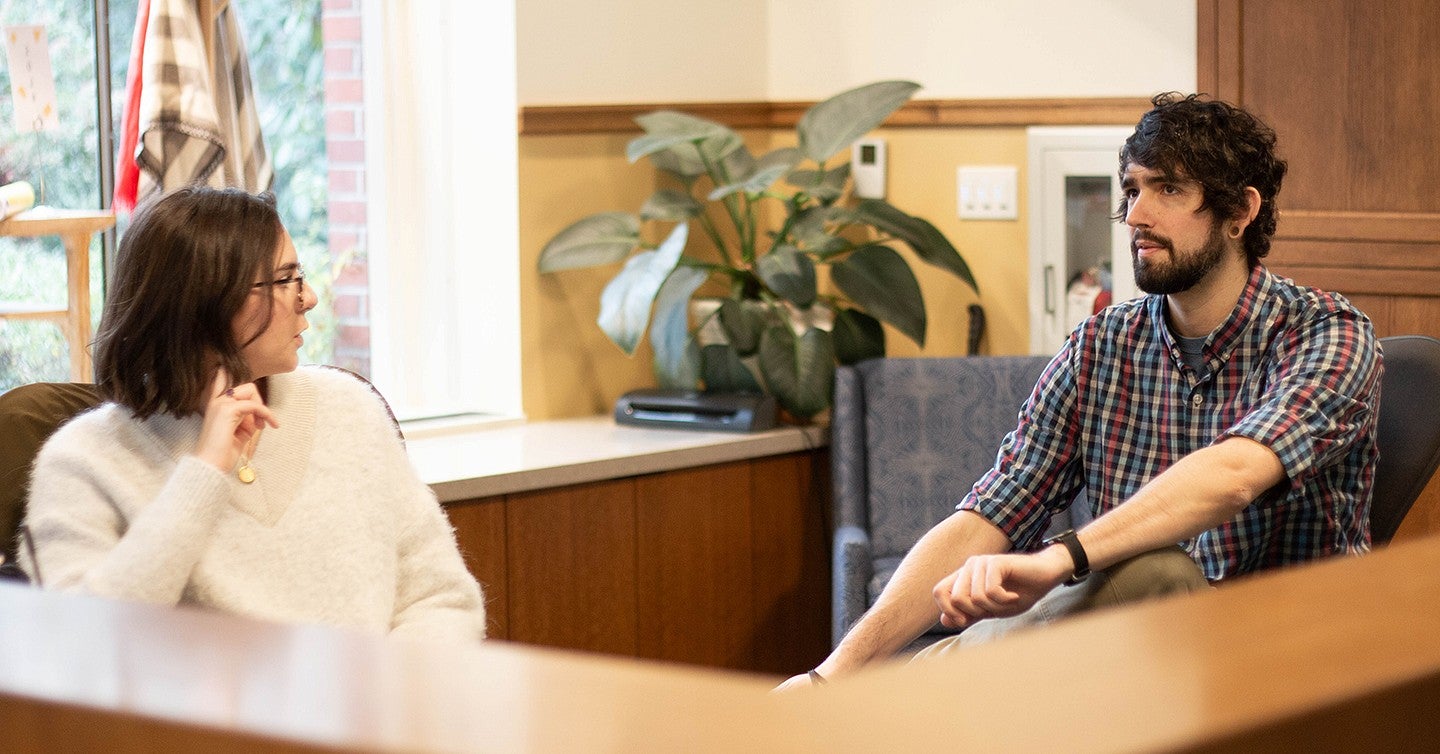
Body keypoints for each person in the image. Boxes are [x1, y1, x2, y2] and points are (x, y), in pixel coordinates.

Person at [779, 93, 1380, 689]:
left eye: (1168, 189)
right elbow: (990, 513)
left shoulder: (1327, 334)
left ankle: (899, 712)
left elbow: (1234, 475)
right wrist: (830, 675)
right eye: (1132, 190)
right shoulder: (1102, 344)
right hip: (1131, 679)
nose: (1137, 215)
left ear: (1240, 212)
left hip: (1284, 667)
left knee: (1155, 570)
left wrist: (1061, 558)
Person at [18, 187, 486, 644]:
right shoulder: (83, 462)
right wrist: (202, 476)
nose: (309, 298)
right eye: (285, 280)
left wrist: (385, 699)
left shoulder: (351, 409)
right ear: (205, 302)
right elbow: (79, 648)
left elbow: (442, 597)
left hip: (377, 716)